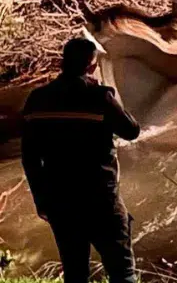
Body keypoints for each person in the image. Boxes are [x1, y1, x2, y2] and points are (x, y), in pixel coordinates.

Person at [21, 37, 141, 283]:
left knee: (75, 272)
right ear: (91, 66)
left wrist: (41, 200)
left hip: (60, 200)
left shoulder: (37, 99)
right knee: (122, 271)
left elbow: (30, 157)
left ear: (62, 62)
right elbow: (131, 131)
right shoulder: (100, 97)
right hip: (101, 199)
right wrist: (109, 93)